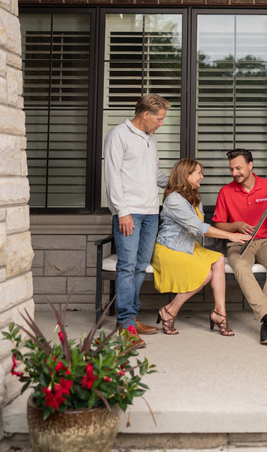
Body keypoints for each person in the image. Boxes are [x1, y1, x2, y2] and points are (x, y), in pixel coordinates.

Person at [151, 159, 249, 335]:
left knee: (218, 259)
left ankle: (220, 312)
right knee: (206, 274)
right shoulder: (174, 200)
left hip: (188, 246)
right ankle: (170, 310)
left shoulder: (193, 196)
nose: (202, 177)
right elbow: (198, 227)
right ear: (186, 175)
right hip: (170, 249)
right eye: (198, 173)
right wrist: (230, 235)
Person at [103, 93, 171, 348]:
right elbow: (112, 176)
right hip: (129, 213)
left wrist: (178, 180)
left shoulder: (150, 139)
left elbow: (154, 174)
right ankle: (125, 325)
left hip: (151, 211)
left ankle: (131, 317)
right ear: (145, 114)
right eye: (159, 118)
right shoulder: (118, 135)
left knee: (141, 266)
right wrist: (122, 211)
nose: (161, 124)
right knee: (127, 266)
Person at [212, 149, 267, 345]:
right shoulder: (225, 192)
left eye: (238, 168)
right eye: (231, 169)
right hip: (239, 242)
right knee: (238, 264)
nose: (234, 172)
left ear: (250, 165)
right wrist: (236, 225)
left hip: (266, 241)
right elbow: (219, 224)